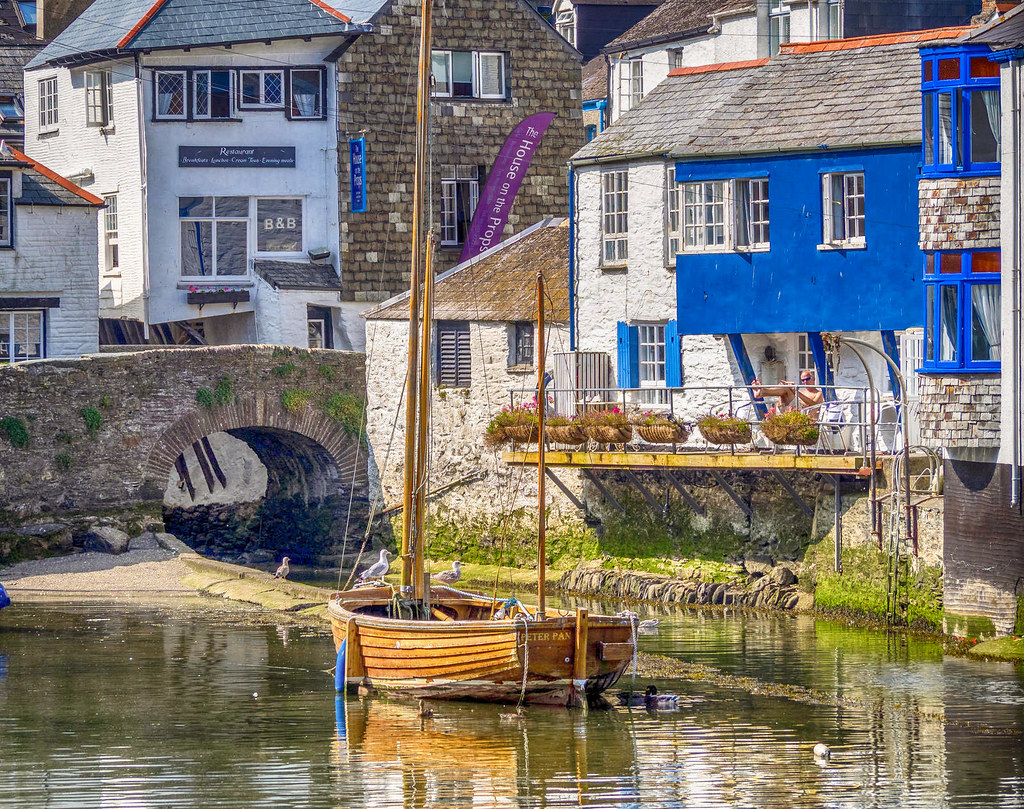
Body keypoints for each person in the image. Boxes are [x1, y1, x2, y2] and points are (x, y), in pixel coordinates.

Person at [751, 370, 824, 411]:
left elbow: (814, 404)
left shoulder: (818, 393)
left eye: (807, 379)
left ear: (813, 379)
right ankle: (761, 391)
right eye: (802, 380)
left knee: (786, 388)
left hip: (804, 414)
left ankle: (762, 391)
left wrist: (796, 391)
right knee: (785, 387)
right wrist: (789, 386)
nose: (805, 382)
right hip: (791, 409)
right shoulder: (802, 391)